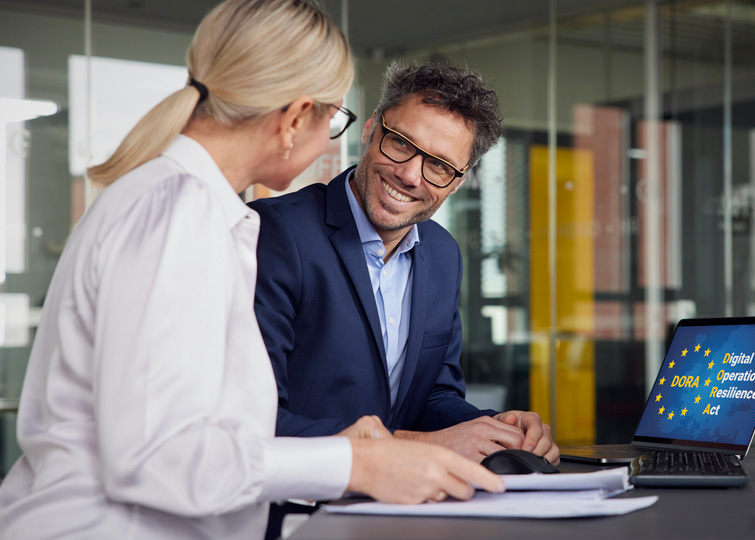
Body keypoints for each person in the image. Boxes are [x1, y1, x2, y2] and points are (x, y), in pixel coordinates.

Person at [0, 2, 502, 539]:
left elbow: (205, 431)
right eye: (334, 119)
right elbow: (154, 457)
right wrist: (359, 462)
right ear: (293, 119)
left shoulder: (196, 207)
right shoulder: (177, 210)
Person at [251, 63, 560, 465]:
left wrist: (499, 430)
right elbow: (254, 420)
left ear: (459, 180)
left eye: (439, 166)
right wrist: (418, 446)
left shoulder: (443, 253)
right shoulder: (273, 233)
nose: (411, 176)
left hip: (405, 507)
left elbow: (433, 396)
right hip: (301, 510)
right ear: (371, 128)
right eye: (400, 143)